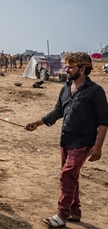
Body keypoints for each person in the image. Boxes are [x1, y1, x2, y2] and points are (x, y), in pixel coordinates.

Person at [25, 52, 108, 228]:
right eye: (67, 66)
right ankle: (75, 212)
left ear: (83, 69)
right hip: (66, 140)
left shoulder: (95, 91)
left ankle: (62, 215)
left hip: (83, 142)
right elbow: (58, 112)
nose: (66, 70)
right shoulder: (66, 88)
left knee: (67, 175)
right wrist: (37, 123)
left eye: (70, 67)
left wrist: (98, 146)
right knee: (72, 177)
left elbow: (103, 122)